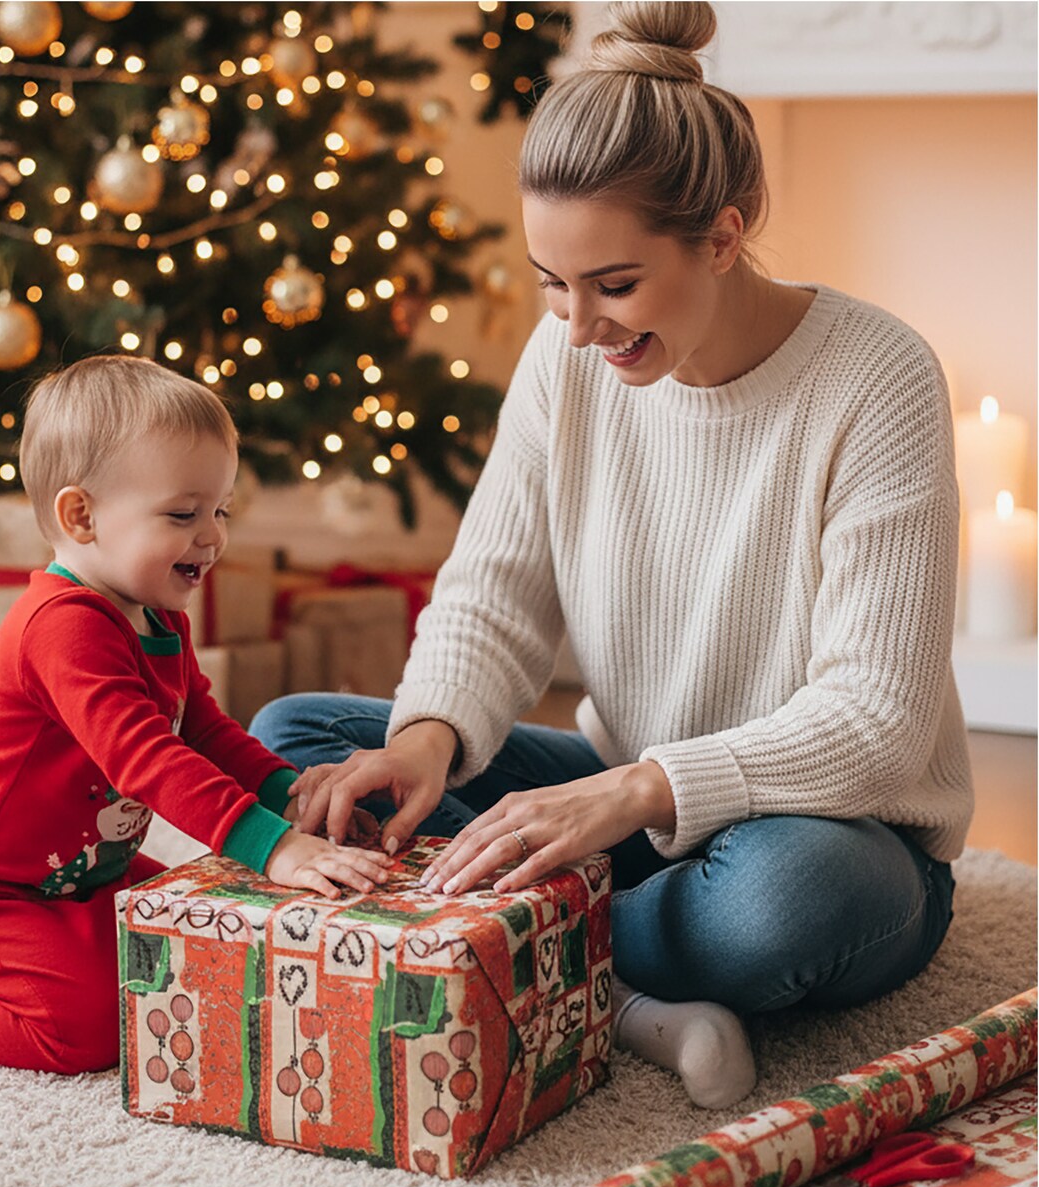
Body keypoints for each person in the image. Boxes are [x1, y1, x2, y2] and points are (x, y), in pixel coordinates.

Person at [249, 1, 973, 1110]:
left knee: (780, 908)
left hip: (829, 834)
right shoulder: (567, 355)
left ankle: (472, 943)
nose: (579, 327)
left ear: (724, 236)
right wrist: (430, 739)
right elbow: (494, 590)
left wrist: (638, 791)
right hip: (628, 809)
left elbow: (877, 724)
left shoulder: (877, 379)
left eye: (615, 285)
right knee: (299, 745)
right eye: (552, 280)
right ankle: (613, 979)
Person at [0, 355, 392, 1073]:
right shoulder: (62, 625)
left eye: (220, 511)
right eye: (183, 514)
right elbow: (147, 758)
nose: (213, 536)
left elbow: (202, 731)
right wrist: (275, 848)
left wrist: (289, 795)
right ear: (81, 515)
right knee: (85, 1032)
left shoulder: (157, 614)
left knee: (196, 951)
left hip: (86, 874)